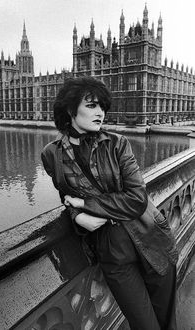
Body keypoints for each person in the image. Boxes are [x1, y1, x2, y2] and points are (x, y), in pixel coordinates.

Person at [41, 76, 178, 330]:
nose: (100, 113)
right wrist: (76, 216)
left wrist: (86, 204)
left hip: (151, 238)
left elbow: (137, 199)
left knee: (167, 322)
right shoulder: (51, 154)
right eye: (92, 106)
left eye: (102, 107)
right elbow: (66, 196)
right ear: (71, 110)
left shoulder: (117, 144)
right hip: (112, 253)